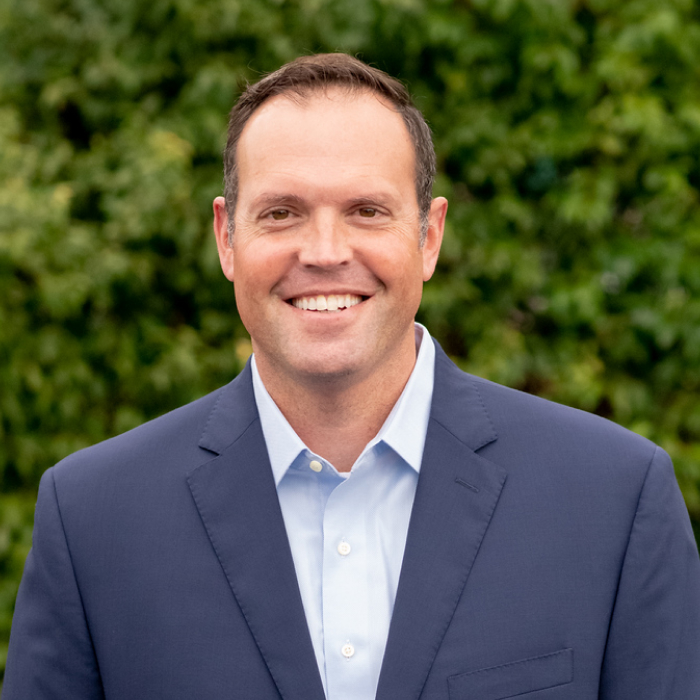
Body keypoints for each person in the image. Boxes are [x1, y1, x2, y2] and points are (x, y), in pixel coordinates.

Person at [4, 53, 700, 700]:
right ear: (226, 238)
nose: (326, 251)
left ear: (429, 237)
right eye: (282, 213)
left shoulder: (614, 500)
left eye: (367, 211)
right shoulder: (94, 518)